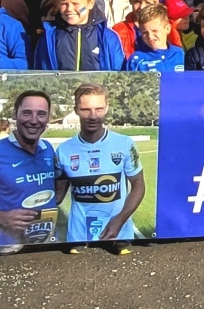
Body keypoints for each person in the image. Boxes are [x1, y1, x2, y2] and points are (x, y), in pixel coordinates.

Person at [0, 90, 60, 255]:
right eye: (27, 113)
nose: (34, 120)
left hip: (47, 246)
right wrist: (1, 218)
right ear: (15, 114)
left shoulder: (49, 150)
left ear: (48, 119)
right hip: (5, 248)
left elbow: (58, 186)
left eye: (41, 114)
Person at [54, 83, 145, 254]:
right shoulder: (64, 150)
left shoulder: (124, 144)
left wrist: (119, 221)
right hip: (78, 238)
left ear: (107, 108)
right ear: (75, 110)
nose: (93, 116)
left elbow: (138, 185)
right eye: (86, 109)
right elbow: (58, 195)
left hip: (118, 236)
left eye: (99, 109)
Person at [33, 0, 124, 71]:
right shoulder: (50, 37)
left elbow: (117, 73)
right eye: (64, 4)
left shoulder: (106, 37)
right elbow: (42, 73)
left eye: (76, 4)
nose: (69, 9)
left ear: (91, 4)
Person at [122, 2, 186, 72]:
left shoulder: (180, 54)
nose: (150, 36)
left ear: (167, 29)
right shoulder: (136, 60)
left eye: (154, 31)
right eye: (145, 33)